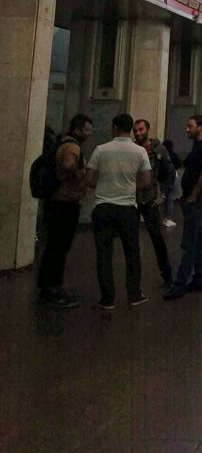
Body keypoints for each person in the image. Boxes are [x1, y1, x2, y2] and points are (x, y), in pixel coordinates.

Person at [86, 113, 152, 309]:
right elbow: (147, 181)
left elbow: (89, 180)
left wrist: (105, 185)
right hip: (128, 208)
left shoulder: (100, 150)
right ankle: (134, 294)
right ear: (131, 129)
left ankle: (107, 299)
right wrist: (131, 187)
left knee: (104, 253)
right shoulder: (139, 151)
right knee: (132, 253)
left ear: (114, 127)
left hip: (103, 207)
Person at [36, 114, 91, 307]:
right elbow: (68, 164)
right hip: (64, 204)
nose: (88, 134)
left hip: (54, 202)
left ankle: (45, 286)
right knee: (60, 248)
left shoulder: (61, 143)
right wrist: (79, 174)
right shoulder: (72, 147)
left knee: (52, 246)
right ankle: (55, 290)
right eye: (86, 130)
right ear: (77, 129)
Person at [163, 114, 202, 301]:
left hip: (199, 199)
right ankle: (199, 278)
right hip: (192, 198)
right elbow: (187, 165)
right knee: (198, 239)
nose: (187, 129)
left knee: (189, 241)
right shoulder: (198, 144)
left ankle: (179, 284)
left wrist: (194, 194)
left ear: (201, 127)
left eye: (190, 126)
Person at [132, 119, 173, 289]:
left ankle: (167, 275)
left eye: (141, 129)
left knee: (156, 238)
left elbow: (170, 174)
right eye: (135, 130)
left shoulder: (159, 149)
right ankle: (134, 279)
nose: (138, 133)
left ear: (148, 129)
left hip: (150, 200)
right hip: (132, 199)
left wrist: (163, 196)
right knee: (132, 239)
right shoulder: (132, 149)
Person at [161, 138, 181, 227]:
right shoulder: (173, 155)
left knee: (164, 199)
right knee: (170, 199)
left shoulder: (161, 155)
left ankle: (163, 218)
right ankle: (168, 218)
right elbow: (179, 163)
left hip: (163, 179)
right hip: (173, 178)